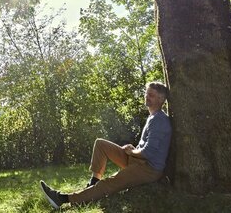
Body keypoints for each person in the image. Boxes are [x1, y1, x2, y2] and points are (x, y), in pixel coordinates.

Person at [40, 82, 171, 209]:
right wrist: (134, 150)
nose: (147, 97)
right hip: (138, 159)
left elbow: (148, 153)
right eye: (147, 93)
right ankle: (93, 185)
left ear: (160, 99)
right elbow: (147, 148)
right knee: (100, 144)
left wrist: (132, 152)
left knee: (109, 183)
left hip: (149, 169)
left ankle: (62, 199)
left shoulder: (159, 120)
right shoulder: (153, 117)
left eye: (151, 95)